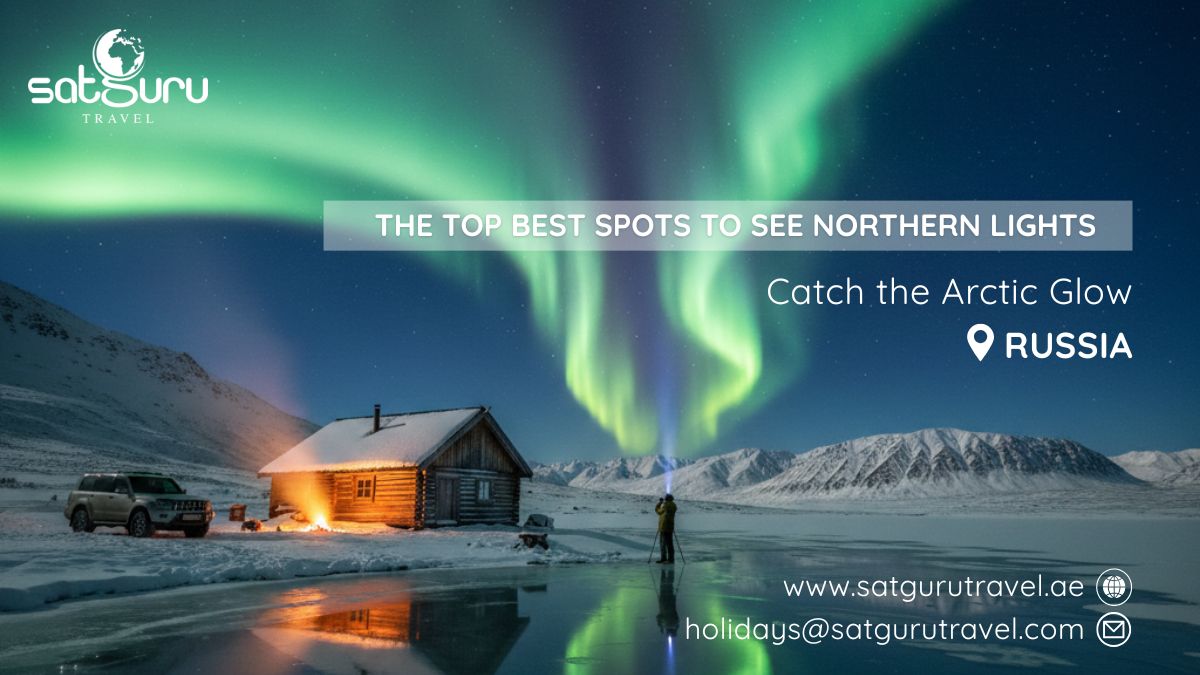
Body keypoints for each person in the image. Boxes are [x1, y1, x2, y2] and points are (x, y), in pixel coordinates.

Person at [655, 493, 677, 563]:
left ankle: (665, 558)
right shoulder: (673, 505)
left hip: (664, 527)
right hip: (669, 527)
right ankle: (670, 559)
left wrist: (659, 504)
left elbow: (658, 511)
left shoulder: (665, 505)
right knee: (669, 543)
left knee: (663, 544)